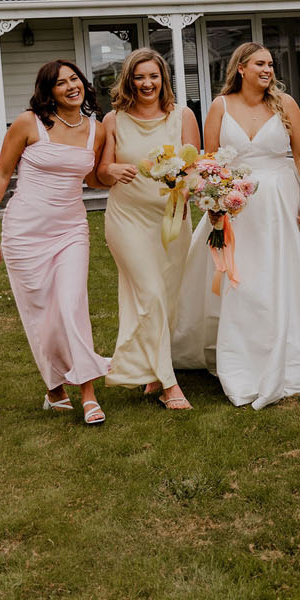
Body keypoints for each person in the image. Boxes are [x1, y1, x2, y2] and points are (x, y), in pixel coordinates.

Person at [172, 43, 300, 408]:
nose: (268, 69)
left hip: (279, 201)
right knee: (242, 279)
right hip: (236, 207)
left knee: (279, 275)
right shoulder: (220, 106)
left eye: (271, 64)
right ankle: (243, 355)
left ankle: (292, 350)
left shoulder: (285, 104)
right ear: (240, 67)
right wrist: (214, 201)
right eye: (260, 63)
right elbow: (209, 159)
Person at [0, 60, 111, 426]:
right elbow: (1, 174)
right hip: (25, 231)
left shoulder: (96, 130)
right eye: (61, 83)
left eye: (75, 79)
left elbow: (95, 179)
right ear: (48, 91)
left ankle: (88, 393)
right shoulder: (27, 123)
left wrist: (127, 173)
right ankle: (54, 387)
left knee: (70, 305)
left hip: (70, 230)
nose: (70, 87)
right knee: (40, 313)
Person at [96, 48, 201, 410]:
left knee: (166, 299)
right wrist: (111, 171)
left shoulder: (182, 116)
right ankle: (170, 384)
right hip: (127, 219)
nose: (147, 83)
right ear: (129, 80)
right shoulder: (113, 120)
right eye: (140, 77)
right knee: (152, 292)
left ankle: (153, 373)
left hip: (172, 218)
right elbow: (99, 173)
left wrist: (183, 183)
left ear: (163, 79)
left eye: (153, 76)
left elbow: (195, 166)